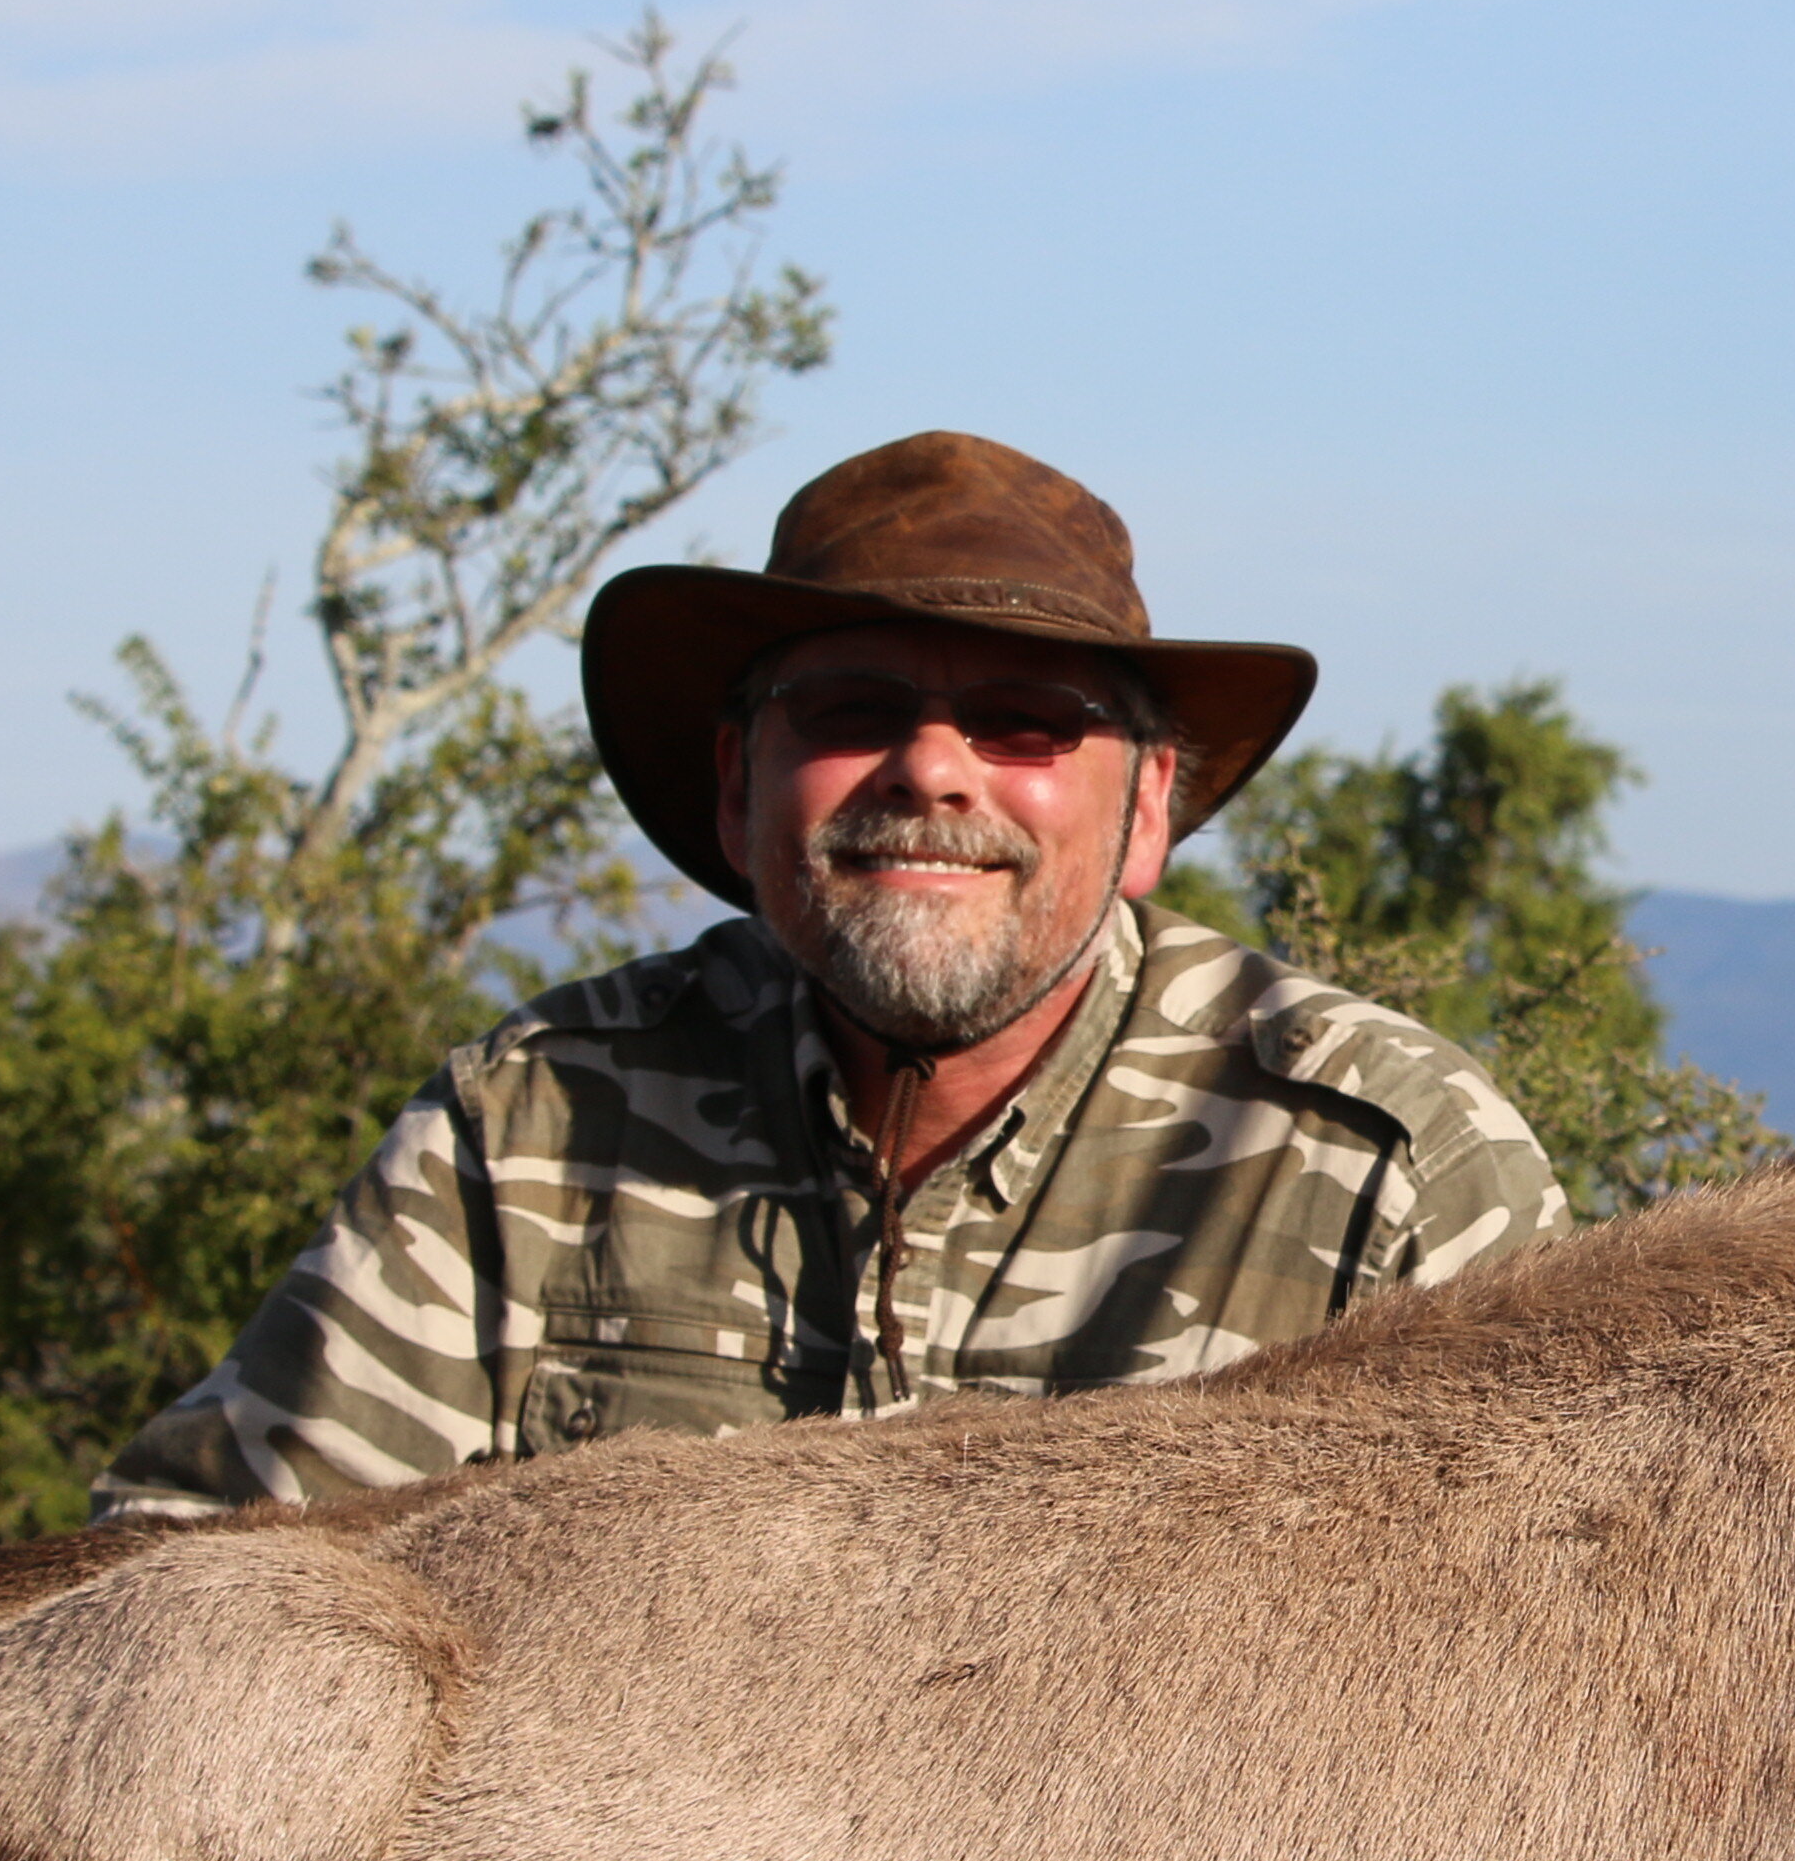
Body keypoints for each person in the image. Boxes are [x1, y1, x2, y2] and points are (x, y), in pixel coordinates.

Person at [95, 430, 1569, 1513]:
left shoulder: (1386, 1167)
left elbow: (1554, 1713)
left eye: (1027, 721)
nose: (931, 770)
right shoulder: (537, 1126)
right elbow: (208, 1578)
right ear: (741, 785)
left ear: (1149, 809)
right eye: (852, 707)